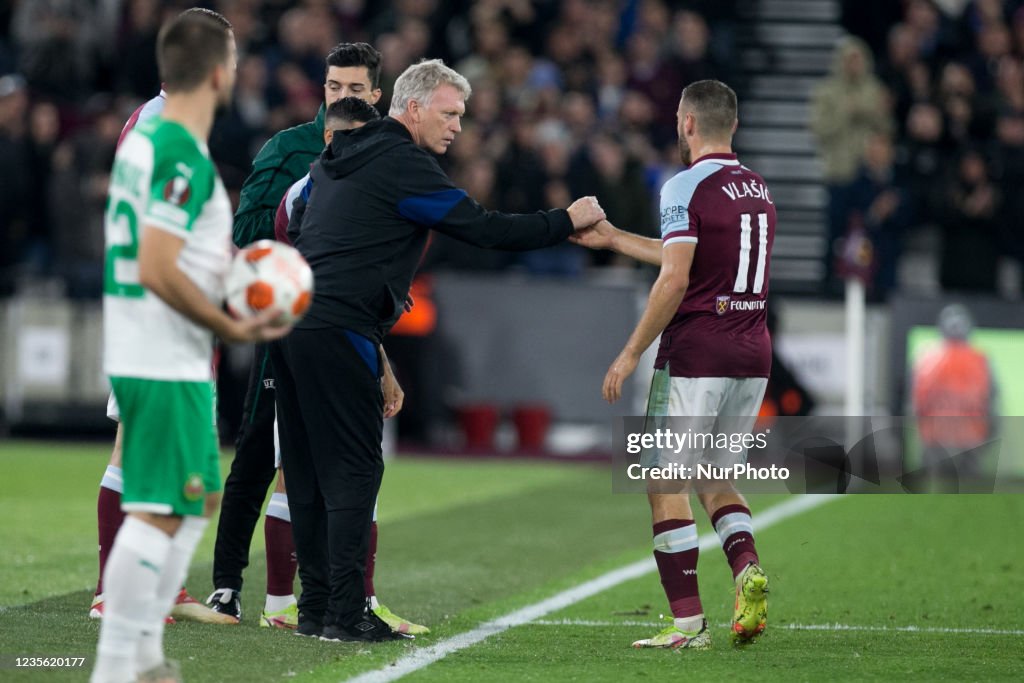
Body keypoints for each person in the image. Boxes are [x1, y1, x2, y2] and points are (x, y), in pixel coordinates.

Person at [272, 58, 605, 642]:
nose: (457, 126)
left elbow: (303, 232)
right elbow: (483, 228)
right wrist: (563, 221)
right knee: (353, 470)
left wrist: (375, 348)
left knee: (305, 470)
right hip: (340, 325)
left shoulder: (336, 158)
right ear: (414, 107)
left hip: (296, 324)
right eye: (449, 114)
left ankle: (317, 608)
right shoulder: (403, 163)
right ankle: (346, 614)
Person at [92, 10, 291, 683]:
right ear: (216, 70)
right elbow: (156, 262)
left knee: (190, 494)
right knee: (166, 499)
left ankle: (139, 647)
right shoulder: (176, 147)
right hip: (161, 341)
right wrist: (234, 322)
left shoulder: (154, 138)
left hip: (148, 334)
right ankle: (123, 658)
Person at [207, 42, 427, 636]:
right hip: (284, 316)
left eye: (354, 89)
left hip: (342, 322)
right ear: (321, 89)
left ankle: (335, 602)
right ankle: (227, 586)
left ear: (376, 95)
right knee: (259, 448)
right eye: (334, 87)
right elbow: (247, 228)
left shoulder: (387, 154)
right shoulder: (290, 149)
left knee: (329, 464)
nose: (342, 98)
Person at [571, 80, 773, 650]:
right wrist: (614, 239)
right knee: (715, 476)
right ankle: (746, 570)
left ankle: (686, 623)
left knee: (663, 479)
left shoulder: (683, 184)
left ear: (686, 123)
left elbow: (677, 277)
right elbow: (687, 254)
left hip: (697, 351)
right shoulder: (756, 188)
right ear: (731, 125)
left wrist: (631, 350)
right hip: (752, 351)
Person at [90, 15, 234, 627]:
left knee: (182, 467)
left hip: (148, 307)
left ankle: (152, 592)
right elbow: (159, 241)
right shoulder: (167, 132)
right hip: (162, 312)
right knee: (151, 458)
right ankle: (114, 595)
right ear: (215, 67)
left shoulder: (151, 124)